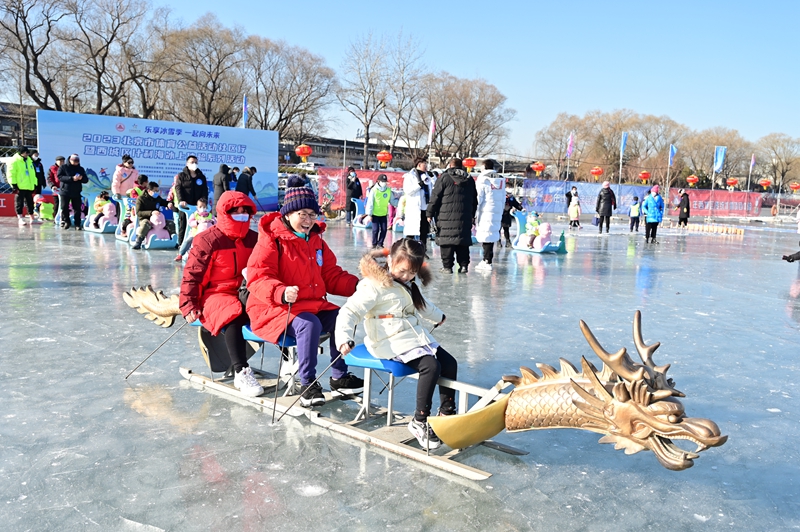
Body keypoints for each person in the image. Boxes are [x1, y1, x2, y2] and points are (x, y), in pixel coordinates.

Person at [245, 176, 363, 407]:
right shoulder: (272, 240)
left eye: (312, 214)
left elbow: (330, 275)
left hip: (311, 304)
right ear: (288, 214)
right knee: (309, 323)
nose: (308, 220)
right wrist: (280, 291)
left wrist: (358, 286)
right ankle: (307, 382)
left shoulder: (317, 241)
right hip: (274, 307)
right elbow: (258, 277)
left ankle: (339, 376)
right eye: (303, 214)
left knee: (341, 316)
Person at [335, 239, 457, 449]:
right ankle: (419, 420)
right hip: (387, 340)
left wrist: (439, 316)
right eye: (402, 271)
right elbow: (350, 311)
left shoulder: (407, 285)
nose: (407, 276)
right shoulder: (373, 285)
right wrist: (343, 337)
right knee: (431, 366)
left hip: (411, 337)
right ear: (390, 261)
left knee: (449, 363)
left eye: (412, 273)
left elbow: (421, 305)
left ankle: (446, 412)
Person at [180, 191, 263, 397]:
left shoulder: (255, 239)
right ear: (225, 213)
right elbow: (193, 274)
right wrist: (189, 303)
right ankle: (241, 371)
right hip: (216, 293)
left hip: (247, 290)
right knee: (233, 313)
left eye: (246, 211)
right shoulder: (208, 240)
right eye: (237, 212)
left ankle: (290, 360)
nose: (242, 215)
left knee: (272, 309)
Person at [427, 158, 478, 274]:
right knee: (462, 241)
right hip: (464, 216)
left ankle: (447, 266)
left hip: (446, 216)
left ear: (450, 165)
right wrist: (472, 214)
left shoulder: (444, 178)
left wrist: (429, 213)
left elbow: (435, 197)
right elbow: (474, 200)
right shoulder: (470, 180)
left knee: (447, 241)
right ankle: (464, 265)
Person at [474, 159, 506, 271]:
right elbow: (503, 196)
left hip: (485, 210)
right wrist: (501, 209)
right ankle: (487, 259)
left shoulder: (483, 179)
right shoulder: (501, 179)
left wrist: (474, 211)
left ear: (484, 166)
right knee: (491, 233)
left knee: (486, 234)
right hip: (496, 209)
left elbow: (478, 197)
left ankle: (487, 260)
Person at [174, 155, 209, 248]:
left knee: (199, 224)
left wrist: (203, 201)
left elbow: (204, 190)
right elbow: (178, 188)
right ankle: (181, 244)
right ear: (187, 164)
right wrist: (181, 200)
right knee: (184, 224)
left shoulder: (201, 176)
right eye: (192, 162)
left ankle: (197, 244)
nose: (194, 164)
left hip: (198, 206)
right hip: (186, 205)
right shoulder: (181, 176)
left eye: (196, 162)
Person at [402, 157, 435, 252]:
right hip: (414, 208)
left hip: (425, 206)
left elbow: (432, 188)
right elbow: (408, 191)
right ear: (419, 164)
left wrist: (433, 178)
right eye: (425, 164)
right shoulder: (410, 176)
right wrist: (418, 185)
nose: (426, 166)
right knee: (411, 231)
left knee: (424, 231)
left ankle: (423, 250)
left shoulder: (427, 176)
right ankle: (407, 249)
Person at [132, 182, 171, 249]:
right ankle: (138, 242)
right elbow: (139, 212)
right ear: (149, 190)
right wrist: (151, 212)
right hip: (145, 219)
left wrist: (169, 204)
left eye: (157, 191)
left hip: (157, 219)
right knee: (146, 223)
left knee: (170, 223)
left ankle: (171, 240)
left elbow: (164, 202)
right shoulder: (141, 199)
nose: (156, 192)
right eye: (155, 191)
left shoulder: (157, 198)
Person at [176, 197, 215, 261]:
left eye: (204, 206)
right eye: (200, 206)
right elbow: (190, 222)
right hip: (195, 233)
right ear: (197, 207)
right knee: (188, 241)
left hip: (207, 234)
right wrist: (197, 222)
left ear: (207, 207)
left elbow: (216, 223)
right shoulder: (195, 215)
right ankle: (181, 254)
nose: (202, 208)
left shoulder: (210, 215)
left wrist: (211, 221)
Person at [8, 146, 39, 226]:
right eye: (26, 153)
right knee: (19, 202)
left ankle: (32, 218)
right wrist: (14, 184)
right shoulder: (14, 161)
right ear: (21, 153)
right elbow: (11, 173)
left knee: (30, 202)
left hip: (28, 185)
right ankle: (20, 218)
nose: (27, 154)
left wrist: (34, 184)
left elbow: (32, 174)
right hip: (20, 186)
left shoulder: (29, 160)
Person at [57, 154, 89, 229]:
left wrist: (81, 178)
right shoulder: (63, 167)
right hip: (65, 191)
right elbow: (60, 177)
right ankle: (66, 221)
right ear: (70, 160)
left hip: (76, 191)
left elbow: (86, 180)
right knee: (64, 207)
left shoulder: (80, 169)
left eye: (77, 161)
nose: (75, 163)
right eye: (74, 161)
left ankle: (77, 224)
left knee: (77, 209)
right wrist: (71, 178)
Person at [365, 174, 393, 249]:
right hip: (375, 214)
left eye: (385, 181)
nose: (384, 183)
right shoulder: (374, 190)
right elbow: (370, 203)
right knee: (375, 230)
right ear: (378, 181)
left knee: (384, 230)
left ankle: (380, 243)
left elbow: (392, 201)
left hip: (383, 214)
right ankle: (374, 244)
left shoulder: (388, 190)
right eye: (382, 181)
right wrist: (369, 214)